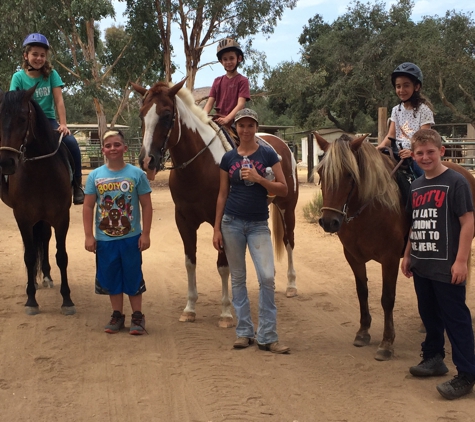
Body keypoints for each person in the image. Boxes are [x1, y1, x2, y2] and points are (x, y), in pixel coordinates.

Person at [401, 128, 475, 400]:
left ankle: (467, 373)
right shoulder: (416, 185)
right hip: (422, 263)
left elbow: (468, 222)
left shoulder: (456, 182)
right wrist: (408, 254)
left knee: (456, 320)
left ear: (441, 151)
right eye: (419, 153)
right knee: (429, 314)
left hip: (447, 266)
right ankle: (433, 357)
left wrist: (461, 261)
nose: (425, 157)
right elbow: (414, 222)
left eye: (430, 151)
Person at [212, 108, 290, 354]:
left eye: (250, 125)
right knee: (238, 278)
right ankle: (244, 332)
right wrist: (216, 227)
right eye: (241, 126)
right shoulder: (228, 158)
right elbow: (222, 194)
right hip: (231, 222)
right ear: (236, 128)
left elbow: (283, 189)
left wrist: (260, 179)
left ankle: (268, 335)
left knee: (267, 277)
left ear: (256, 127)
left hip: (258, 224)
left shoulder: (268, 154)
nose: (246, 130)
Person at [83, 130, 153, 335]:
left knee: (132, 275)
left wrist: (145, 233)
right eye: (108, 145)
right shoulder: (95, 176)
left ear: (125, 148)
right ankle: (117, 315)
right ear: (103, 150)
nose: (112, 148)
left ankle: (137, 316)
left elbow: (147, 206)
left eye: (116, 144)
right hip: (105, 239)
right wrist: (89, 235)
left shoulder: (136, 175)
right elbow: (87, 207)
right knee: (111, 276)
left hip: (131, 237)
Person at [9, 33, 84, 205]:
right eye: (35, 54)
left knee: (71, 142)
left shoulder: (51, 75)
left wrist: (63, 124)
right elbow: (13, 103)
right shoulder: (18, 77)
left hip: (48, 121)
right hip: (25, 121)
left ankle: (77, 185)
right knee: (7, 144)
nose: (39, 58)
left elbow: (59, 101)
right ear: (26, 56)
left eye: (42, 55)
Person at [377, 62, 435, 178]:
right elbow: (390, 136)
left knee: (422, 175)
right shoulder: (396, 110)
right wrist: (377, 149)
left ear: (416, 87)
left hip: (415, 154)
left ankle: (428, 192)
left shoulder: (424, 110)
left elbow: (424, 139)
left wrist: (412, 152)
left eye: (406, 85)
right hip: (396, 153)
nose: (401, 90)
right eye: (398, 86)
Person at [203, 38, 250, 128]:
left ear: (239, 58)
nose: (228, 62)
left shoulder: (243, 80)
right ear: (221, 62)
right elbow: (209, 104)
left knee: (243, 139)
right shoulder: (217, 81)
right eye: (225, 59)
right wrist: (202, 117)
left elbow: (240, 104)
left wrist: (227, 119)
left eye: (231, 58)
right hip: (218, 120)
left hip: (235, 122)